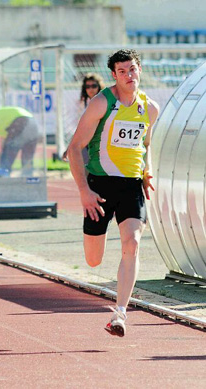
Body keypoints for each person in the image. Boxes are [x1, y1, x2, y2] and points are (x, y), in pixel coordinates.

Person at [67, 49, 159, 337]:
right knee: (94, 259)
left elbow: (146, 145)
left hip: (131, 184)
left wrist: (147, 172)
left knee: (131, 243)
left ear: (139, 69)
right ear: (114, 75)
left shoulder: (150, 108)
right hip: (100, 186)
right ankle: (97, 239)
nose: (129, 76)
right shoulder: (101, 104)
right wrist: (84, 191)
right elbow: (74, 148)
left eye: (132, 69)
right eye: (122, 71)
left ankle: (120, 313)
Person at [63, 73, 105, 162]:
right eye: (87, 86)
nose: (91, 89)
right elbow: (80, 128)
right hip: (86, 142)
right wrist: (70, 146)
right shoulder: (83, 105)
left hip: (102, 143)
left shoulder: (105, 103)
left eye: (94, 86)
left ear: (99, 86)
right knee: (83, 168)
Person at [0, 106, 40, 175]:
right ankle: (27, 177)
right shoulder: (1, 126)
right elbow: (3, 145)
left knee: (9, 151)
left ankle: (4, 173)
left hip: (20, 121)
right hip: (33, 123)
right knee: (27, 156)